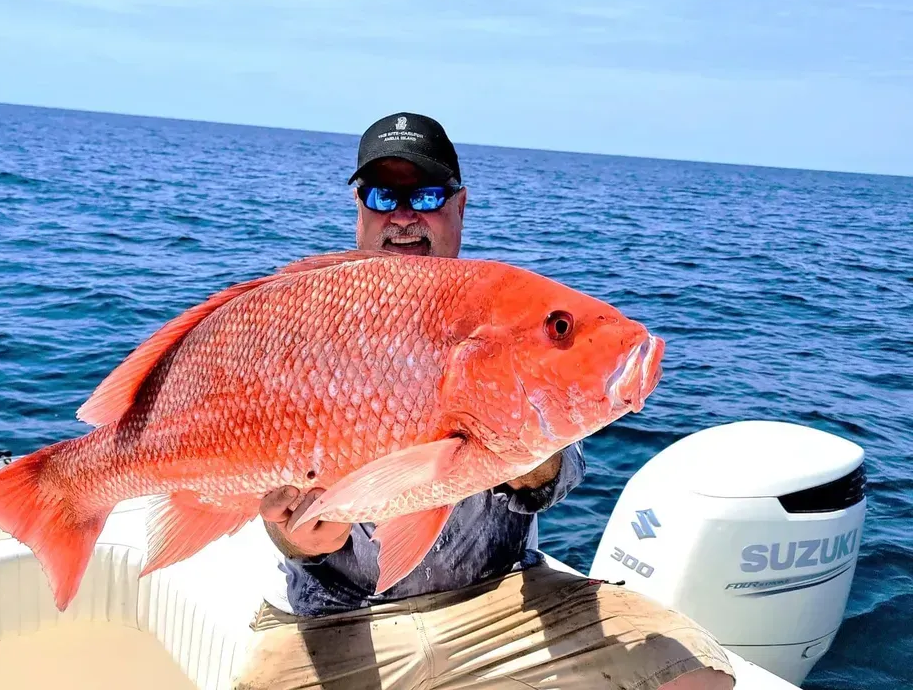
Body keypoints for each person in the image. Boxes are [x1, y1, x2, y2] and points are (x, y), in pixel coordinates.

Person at [236, 113, 735, 690]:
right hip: (338, 617)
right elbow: (257, 496)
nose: (402, 216)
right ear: (359, 208)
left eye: (424, 194)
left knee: (695, 676)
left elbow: (557, 474)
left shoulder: (502, 308)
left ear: (460, 206)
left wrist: (518, 445)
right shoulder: (300, 321)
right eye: (382, 195)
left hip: (505, 603)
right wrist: (299, 536)